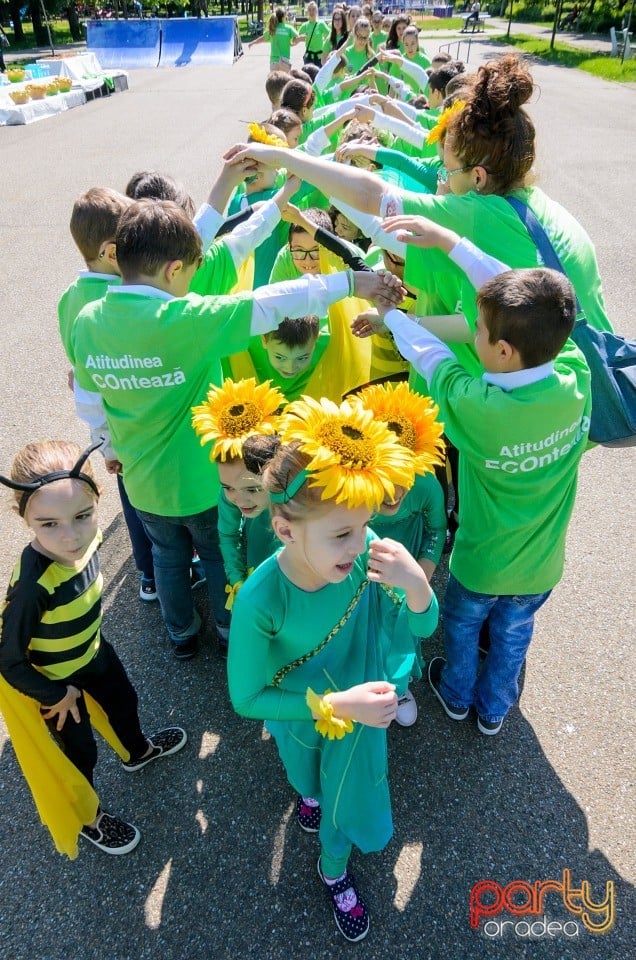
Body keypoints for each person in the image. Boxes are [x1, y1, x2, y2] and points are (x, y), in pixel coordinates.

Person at [68, 197, 405, 660]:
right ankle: (229, 628)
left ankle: (181, 634)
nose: (191, 284)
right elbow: (272, 302)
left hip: (142, 484)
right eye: (189, 273)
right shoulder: (184, 319)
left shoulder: (87, 322)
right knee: (213, 553)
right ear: (172, 270)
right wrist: (352, 281)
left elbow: (88, 399)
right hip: (204, 485)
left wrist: (103, 443)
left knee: (167, 557)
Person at [360, 223, 591, 736]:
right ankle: (493, 711)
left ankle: (457, 695)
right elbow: (518, 298)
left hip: (480, 562)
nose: (474, 336)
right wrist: (453, 243)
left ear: (504, 351)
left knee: (462, 628)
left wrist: (392, 316)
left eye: (480, 333)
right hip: (542, 565)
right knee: (513, 635)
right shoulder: (576, 375)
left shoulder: (478, 406)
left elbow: (431, 355)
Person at [227, 396, 439, 941]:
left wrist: (416, 586)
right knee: (307, 780)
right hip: (304, 715)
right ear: (285, 530)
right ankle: (308, 797)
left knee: (347, 795)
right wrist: (332, 705)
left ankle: (333, 868)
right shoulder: (260, 600)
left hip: (359, 712)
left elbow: (416, 627)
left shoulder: (366, 552)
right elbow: (246, 698)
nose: (362, 542)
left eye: (365, 525)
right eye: (342, 533)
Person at [0, 440, 187, 858]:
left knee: (125, 703)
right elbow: (7, 659)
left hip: (94, 653)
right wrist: (55, 694)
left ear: (97, 501)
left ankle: (137, 752)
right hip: (54, 682)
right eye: (49, 524)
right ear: (23, 517)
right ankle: (89, 818)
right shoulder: (32, 588)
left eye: (82, 516)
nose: (71, 537)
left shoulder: (92, 539)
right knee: (79, 752)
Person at [192, 379, 285, 620]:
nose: (239, 499)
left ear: (275, 476)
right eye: (228, 487)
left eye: (253, 489)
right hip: (257, 565)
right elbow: (229, 534)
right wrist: (236, 578)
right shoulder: (229, 497)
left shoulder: (295, 497)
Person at [249, 8, 300, 73]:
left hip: (274, 61)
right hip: (285, 61)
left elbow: (263, 38)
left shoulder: (273, 28)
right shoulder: (289, 28)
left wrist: (253, 42)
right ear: (284, 16)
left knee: (274, 82)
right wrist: (293, 43)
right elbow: (298, 37)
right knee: (285, 82)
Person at [298, 1, 329, 66]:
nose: (311, 12)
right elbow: (295, 37)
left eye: (313, 10)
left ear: (316, 11)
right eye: (309, 10)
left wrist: (326, 42)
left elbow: (331, 35)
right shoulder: (305, 25)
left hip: (319, 58)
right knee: (308, 76)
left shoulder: (321, 24)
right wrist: (300, 38)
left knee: (319, 76)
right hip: (309, 58)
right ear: (307, 12)